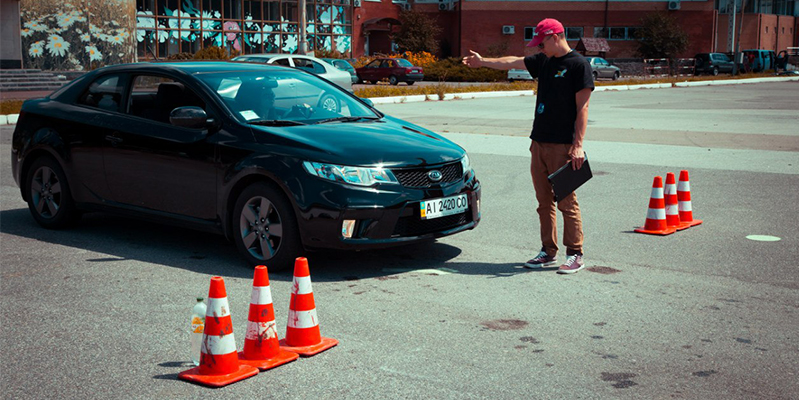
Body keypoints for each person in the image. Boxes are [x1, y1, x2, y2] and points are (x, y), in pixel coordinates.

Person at [462, 18, 593, 274]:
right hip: (539, 143)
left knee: (567, 201)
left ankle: (575, 253)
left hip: (563, 145)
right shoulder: (544, 61)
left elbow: (583, 108)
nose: (539, 48)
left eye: (542, 42)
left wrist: (578, 146)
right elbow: (512, 61)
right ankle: (548, 251)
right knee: (544, 202)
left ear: (555, 36)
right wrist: (483, 61)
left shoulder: (578, 65)